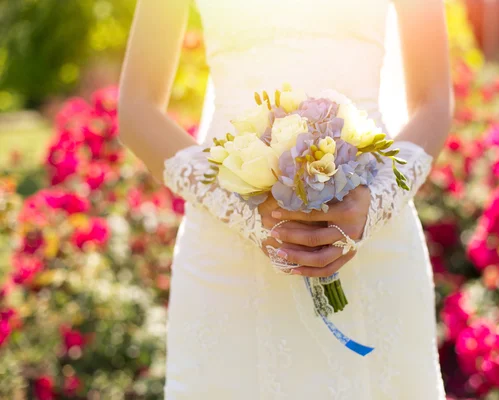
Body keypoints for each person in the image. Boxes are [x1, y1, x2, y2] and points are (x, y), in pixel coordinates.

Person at [118, 0, 453, 398]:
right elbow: (136, 108)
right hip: (227, 251)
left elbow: (433, 100)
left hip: (373, 238)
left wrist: (377, 203)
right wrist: (240, 210)